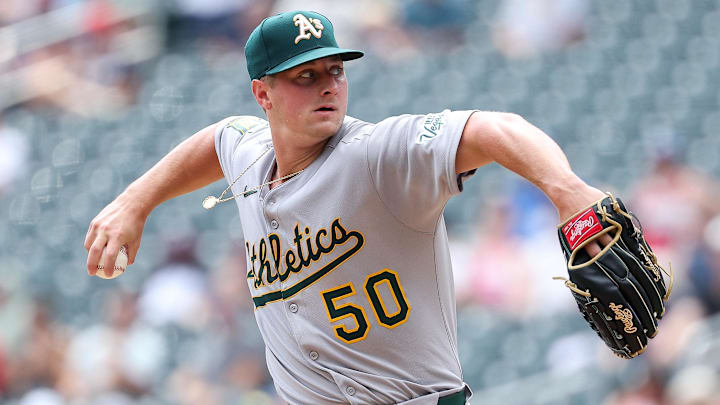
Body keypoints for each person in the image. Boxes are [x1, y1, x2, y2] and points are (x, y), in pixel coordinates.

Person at [85, 10, 609, 404]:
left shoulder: (377, 155)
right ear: (262, 94)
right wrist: (137, 200)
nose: (328, 86)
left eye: (334, 70)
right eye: (304, 76)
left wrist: (566, 191)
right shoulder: (248, 157)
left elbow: (495, 128)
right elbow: (221, 137)